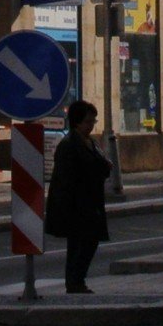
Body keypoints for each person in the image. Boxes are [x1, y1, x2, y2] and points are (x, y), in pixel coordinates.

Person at [45, 99, 111, 295]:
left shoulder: (90, 142)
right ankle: (74, 282)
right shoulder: (69, 145)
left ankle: (76, 281)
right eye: (88, 121)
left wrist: (104, 167)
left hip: (90, 202)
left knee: (89, 242)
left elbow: (98, 165)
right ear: (77, 122)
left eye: (93, 121)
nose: (91, 125)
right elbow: (67, 177)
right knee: (79, 244)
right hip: (76, 204)